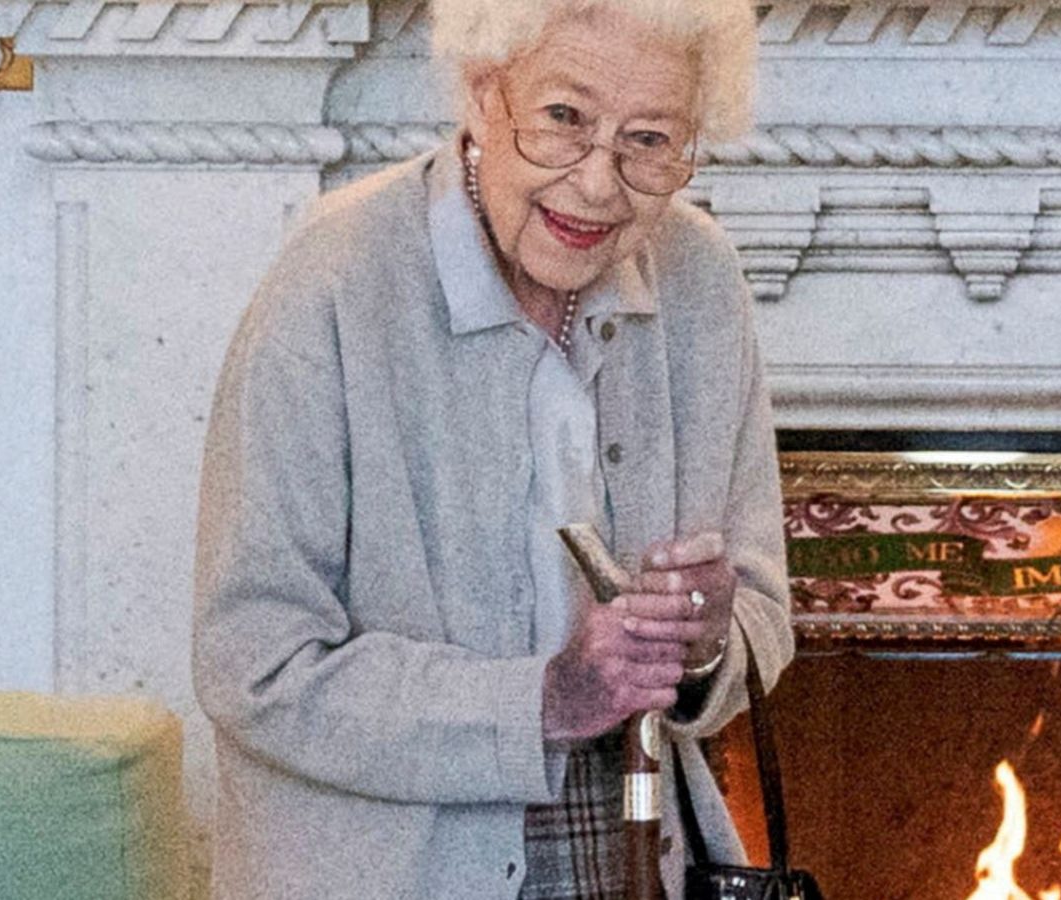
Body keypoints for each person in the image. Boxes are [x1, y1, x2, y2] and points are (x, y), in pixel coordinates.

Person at [189, 0, 791, 896]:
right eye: (564, 119)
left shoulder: (699, 278)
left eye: (648, 140)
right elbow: (254, 663)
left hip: (632, 853)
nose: (599, 183)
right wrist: (547, 700)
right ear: (480, 93)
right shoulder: (334, 279)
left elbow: (763, 610)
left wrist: (704, 643)